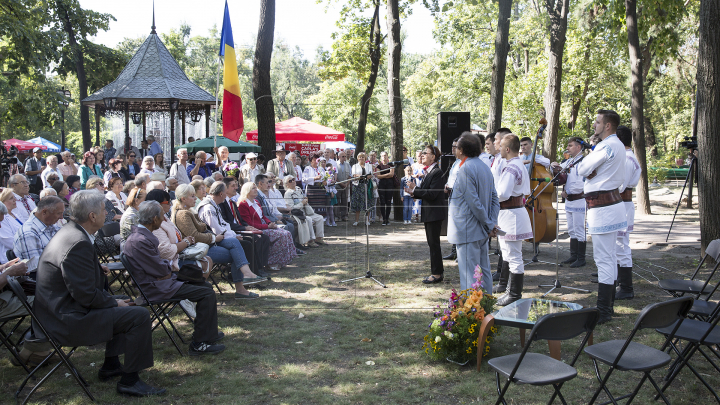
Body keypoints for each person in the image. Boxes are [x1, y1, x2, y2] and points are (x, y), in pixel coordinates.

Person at [34, 191, 165, 396]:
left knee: (124, 301)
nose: (108, 214)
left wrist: (99, 274)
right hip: (65, 320)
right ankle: (130, 381)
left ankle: (111, 365)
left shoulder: (73, 233)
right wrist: (113, 304)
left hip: (60, 311)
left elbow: (78, 282)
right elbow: (85, 295)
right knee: (138, 315)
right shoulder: (77, 242)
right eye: (105, 210)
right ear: (92, 216)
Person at [124, 200, 224, 355]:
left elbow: (160, 266)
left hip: (161, 282)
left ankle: (207, 334)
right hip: (155, 287)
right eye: (163, 215)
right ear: (154, 219)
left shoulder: (142, 236)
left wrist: (169, 266)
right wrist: (169, 266)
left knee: (206, 287)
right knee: (206, 293)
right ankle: (199, 344)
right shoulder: (141, 240)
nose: (165, 219)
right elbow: (160, 269)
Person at [576, 109, 627, 324]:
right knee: (609, 257)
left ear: (607, 126)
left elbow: (583, 168)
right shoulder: (618, 146)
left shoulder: (607, 145)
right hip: (609, 205)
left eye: (597, 122)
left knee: (604, 259)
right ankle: (608, 306)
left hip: (603, 208)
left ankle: (604, 310)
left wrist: (589, 161)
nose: (594, 126)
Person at [184, 184, 266, 295]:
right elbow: (217, 230)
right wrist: (233, 236)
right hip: (209, 244)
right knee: (237, 249)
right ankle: (243, 285)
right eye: (192, 196)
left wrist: (233, 235)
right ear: (221, 194)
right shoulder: (208, 208)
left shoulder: (214, 205)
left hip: (216, 240)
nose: (195, 199)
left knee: (238, 245)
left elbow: (224, 225)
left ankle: (247, 279)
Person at [448, 134, 499, 292]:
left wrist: (489, 224)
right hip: (481, 230)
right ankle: (487, 308)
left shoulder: (466, 169)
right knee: (484, 271)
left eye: (457, 148)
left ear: (461, 150)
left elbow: (474, 202)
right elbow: (494, 200)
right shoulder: (485, 167)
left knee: (470, 274)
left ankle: (472, 313)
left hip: (468, 229)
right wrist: (490, 222)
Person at [404, 145, 447, 284]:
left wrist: (415, 189)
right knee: (432, 243)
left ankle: (437, 273)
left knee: (434, 244)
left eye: (425, 153)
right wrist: (414, 192)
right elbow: (426, 192)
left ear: (433, 156)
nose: (422, 155)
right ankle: (437, 272)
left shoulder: (437, 172)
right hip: (430, 212)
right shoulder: (429, 172)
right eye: (421, 153)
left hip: (434, 213)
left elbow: (433, 194)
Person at [238, 182, 298, 269]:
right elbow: (249, 223)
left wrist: (270, 223)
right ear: (247, 191)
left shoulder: (256, 202)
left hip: (265, 226)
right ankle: (271, 262)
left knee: (287, 233)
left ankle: (283, 260)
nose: (256, 190)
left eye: (255, 188)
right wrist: (267, 226)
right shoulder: (243, 204)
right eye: (253, 188)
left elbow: (263, 216)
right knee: (282, 235)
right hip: (256, 229)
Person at [217, 177, 271, 275]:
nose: (236, 188)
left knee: (265, 238)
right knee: (255, 239)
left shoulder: (232, 203)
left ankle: (262, 267)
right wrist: (244, 228)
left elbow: (240, 220)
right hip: (232, 231)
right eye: (233, 186)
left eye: (236, 185)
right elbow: (227, 222)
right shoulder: (221, 204)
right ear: (226, 189)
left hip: (239, 228)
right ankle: (254, 270)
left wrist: (248, 227)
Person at [551, 137, 588, 268]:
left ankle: (581, 257)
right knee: (571, 229)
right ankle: (573, 255)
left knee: (579, 229)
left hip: (579, 200)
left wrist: (569, 191)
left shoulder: (584, 162)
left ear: (579, 147)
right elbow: (560, 173)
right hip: (569, 201)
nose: (568, 148)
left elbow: (581, 182)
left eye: (570, 145)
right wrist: (554, 166)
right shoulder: (570, 161)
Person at [615, 125, 641, 300]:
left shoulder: (627, 159)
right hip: (620, 204)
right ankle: (618, 279)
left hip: (622, 204)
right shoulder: (626, 157)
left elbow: (619, 185)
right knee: (617, 245)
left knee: (622, 245)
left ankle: (626, 287)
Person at [13, 196, 64, 273]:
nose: (61, 217)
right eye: (58, 213)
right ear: (44, 212)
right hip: (42, 279)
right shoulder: (29, 233)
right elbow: (36, 266)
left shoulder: (51, 225)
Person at [284, 175, 325, 247]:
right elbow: (292, 208)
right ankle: (310, 240)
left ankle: (319, 238)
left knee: (320, 218)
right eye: (290, 181)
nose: (293, 181)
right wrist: (302, 203)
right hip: (298, 214)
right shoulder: (288, 193)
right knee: (308, 219)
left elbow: (304, 198)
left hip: (306, 211)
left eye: (293, 179)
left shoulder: (298, 188)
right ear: (286, 185)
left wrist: (305, 200)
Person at [443, 137, 462, 261]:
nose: (453, 149)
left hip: (459, 198)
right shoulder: (455, 162)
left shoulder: (464, 163)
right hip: (452, 196)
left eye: (455, 146)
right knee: (453, 225)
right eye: (452, 146)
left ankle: (459, 253)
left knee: (459, 226)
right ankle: (454, 251)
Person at [350, 152, 374, 227]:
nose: (361, 158)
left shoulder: (369, 165)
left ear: (365, 158)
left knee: (367, 203)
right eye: (360, 157)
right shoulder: (355, 166)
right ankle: (356, 221)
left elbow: (370, 174)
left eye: (363, 157)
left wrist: (364, 176)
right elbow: (354, 175)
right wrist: (364, 176)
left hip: (367, 186)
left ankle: (367, 220)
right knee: (358, 203)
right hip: (357, 186)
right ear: (357, 158)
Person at [0, 189, 23, 264]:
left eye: (14, 197)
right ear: (2, 202)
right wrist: (26, 245)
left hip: (22, 253)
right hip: (10, 258)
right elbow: (8, 240)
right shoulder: (2, 218)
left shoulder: (14, 214)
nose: (15, 200)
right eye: (11, 198)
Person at [302, 153, 328, 218]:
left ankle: (321, 219)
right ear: (311, 160)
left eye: (317, 159)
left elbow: (326, 178)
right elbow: (304, 179)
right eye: (314, 159)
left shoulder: (321, 169)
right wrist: (314, 178)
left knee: (321, 205)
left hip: (320, 189)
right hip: (312, 189)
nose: (316, 161)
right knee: (312, 205)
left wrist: (326, 182)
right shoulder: (307, 168)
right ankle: (312, 219)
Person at [375, 152, 395, 226]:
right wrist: (387, 175)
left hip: (390, 185)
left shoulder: (391, 165)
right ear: (381, 157)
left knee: (388, 202)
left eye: (385, 155)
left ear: (387, 156)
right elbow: (378, 176)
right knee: (382, 202)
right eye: (382, 156)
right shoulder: (379, 166)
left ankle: (387, 218)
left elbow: (392, 174)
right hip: (382, 185)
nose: (384, 157)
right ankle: (384, 219)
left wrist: (383, 175)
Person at [334, 151, 351, 221]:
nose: (344, 158)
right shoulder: (335, 164)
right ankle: (337, 216)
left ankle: (344, 216)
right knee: (337, 202)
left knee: (345, 201)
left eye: (345, 156)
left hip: (346, 186)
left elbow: (350, 175)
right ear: (339, 157)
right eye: (343, 156)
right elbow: (334, 176)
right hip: (337, 186)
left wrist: (347, 184)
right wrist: (341, 183)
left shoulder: (348, 164)